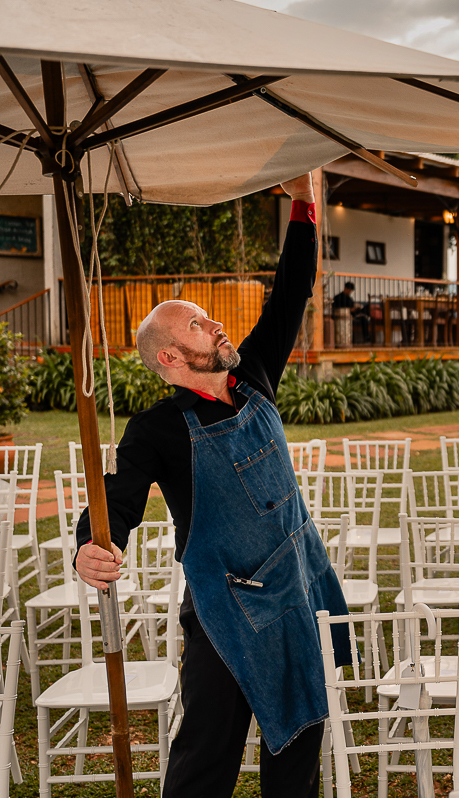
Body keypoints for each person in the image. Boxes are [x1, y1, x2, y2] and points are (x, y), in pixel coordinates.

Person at [74, 173, 351, 798]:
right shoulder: (157, 428)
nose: (217, 324)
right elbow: (117, 497)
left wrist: (304, 205)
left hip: (296, 589)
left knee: (299, 746)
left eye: (209, 318)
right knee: (206, 755)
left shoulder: (254, 373)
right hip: (225, 615)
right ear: (170, 358)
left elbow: (291, 291)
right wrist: (92, 543)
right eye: (199, 325)